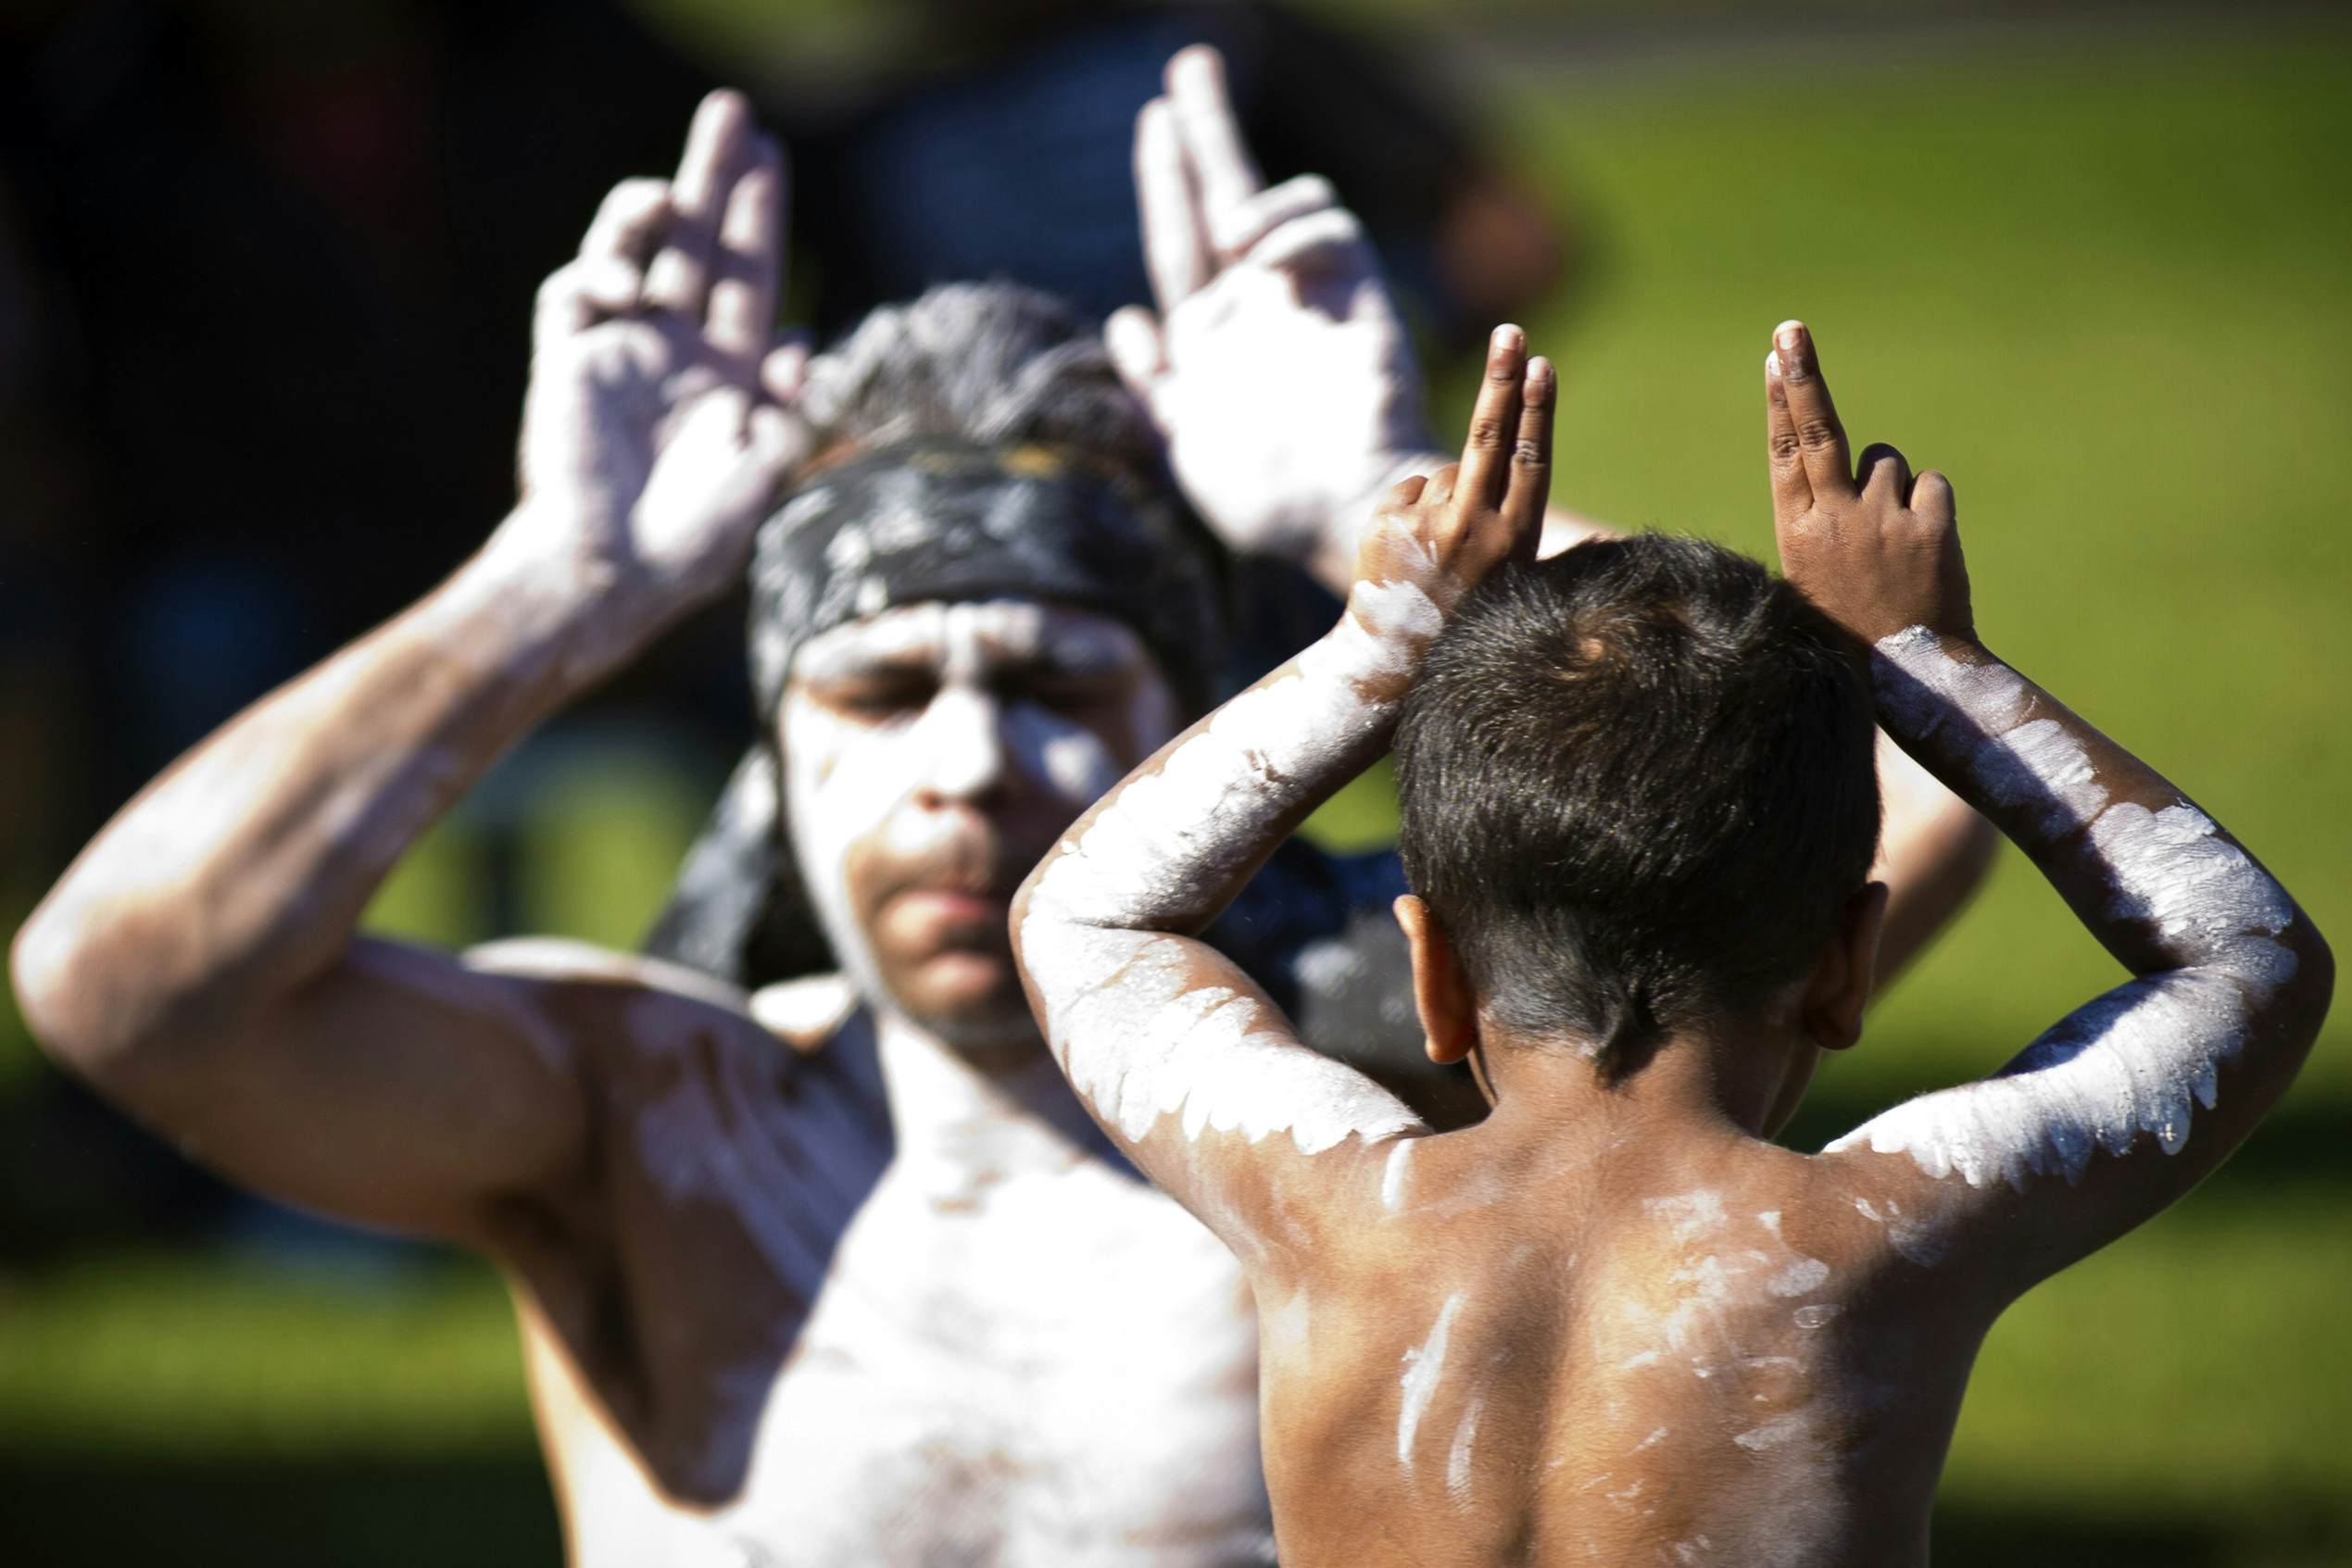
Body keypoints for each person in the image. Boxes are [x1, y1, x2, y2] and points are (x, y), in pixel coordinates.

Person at [11, 61, 1986, 1568]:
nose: (967, 766)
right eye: (876, 694)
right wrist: (563, 586)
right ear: (774, 753)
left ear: (1195, 732)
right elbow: (125, 989)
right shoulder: (642, 1109)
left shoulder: (1423, 1108)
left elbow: (1904, 773)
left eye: (1057, 690)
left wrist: (1385, 517)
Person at [1011, 321, 2333, 1566]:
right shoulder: (1882, 1239)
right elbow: (2246, 955)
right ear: (1845, 960)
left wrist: (1378, 650)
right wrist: (1936, 667)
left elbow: (1083, 918)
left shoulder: (1331, 1216)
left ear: (1433, 971)